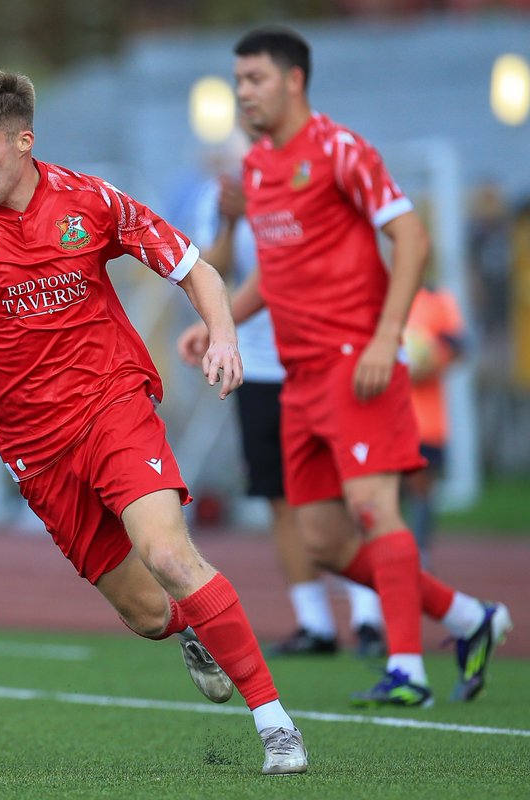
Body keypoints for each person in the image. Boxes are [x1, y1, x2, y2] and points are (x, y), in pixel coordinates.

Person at [0, 70, 307, 776]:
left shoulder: (90, 201)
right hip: (34, 449)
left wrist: (223, 335)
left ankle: (276, 726)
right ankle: (194, 629)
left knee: (171, 556)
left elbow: (196, 269)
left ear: (23, 141)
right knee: (148, 614)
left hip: (112, 405)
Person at [180, 26, 509, 706]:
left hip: (357, 363)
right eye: (238, 81)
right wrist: (218, 324)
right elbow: (275, 273)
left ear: (294, 80)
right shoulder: (258, 168)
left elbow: (411, 237)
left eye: (255, 79)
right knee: (324, 542)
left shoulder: (341, 150)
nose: (244, 93)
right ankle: (466, 617)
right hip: (297, 376)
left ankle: (408, 672)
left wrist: (386, 339)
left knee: (373, 508)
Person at [185, 133, 386, 658]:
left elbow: (307, 266)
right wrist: (233, 221)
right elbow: (211, 274)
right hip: (260, 365)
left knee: (348, 489)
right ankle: (314, 621)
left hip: (322, 358)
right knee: (279, 495)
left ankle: (370, 613)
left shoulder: (310, 182)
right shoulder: (220, 197)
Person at [402, 285, 465, 566]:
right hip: (386, 417)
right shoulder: (377, 293)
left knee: (422, 489)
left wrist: (430, 359)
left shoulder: (439, 301)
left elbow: (459, 347)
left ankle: (419, 554)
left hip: (427, 420)